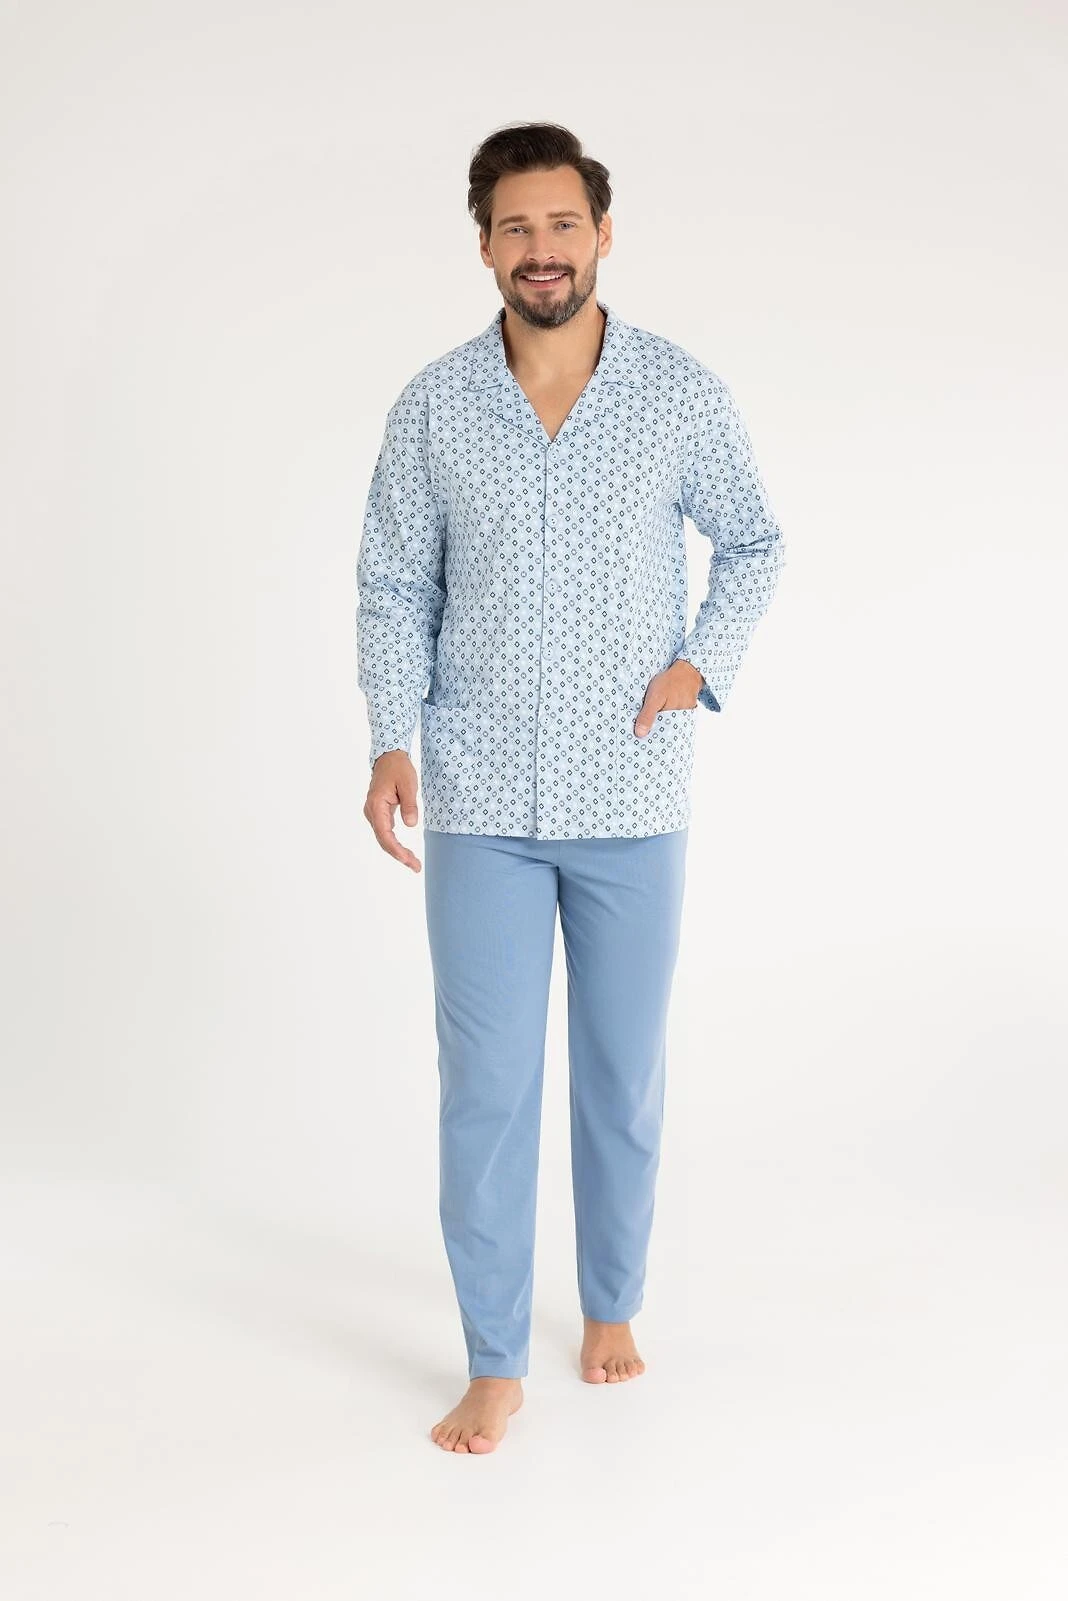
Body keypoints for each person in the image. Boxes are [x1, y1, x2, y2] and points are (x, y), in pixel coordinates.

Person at [356, 121, 786, 1454]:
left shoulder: (677, 393)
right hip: (480, 796)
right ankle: (494, 1359)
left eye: (561, 225)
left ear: (602, 233)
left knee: (620, 1075)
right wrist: (388, 739)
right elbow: (393, 582)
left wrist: (701, 664)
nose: (540, 250)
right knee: (484, 1089)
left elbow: (756, 541)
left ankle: (612, 1303)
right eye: (515, 228)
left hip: (632, 800)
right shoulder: (435, 406)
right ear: (484, 244)